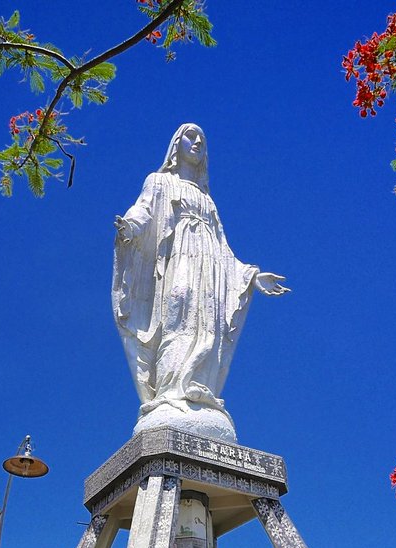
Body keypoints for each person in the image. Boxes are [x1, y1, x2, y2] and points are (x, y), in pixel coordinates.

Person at [112, 123, 288, 434]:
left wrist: (253, 276)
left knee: (206, 324)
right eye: (190, 137)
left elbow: (224, 249)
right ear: (175, 145)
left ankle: (196, 389)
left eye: (202, 140)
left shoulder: (207, 200)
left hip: (209, 268)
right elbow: (143, 211)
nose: (197, 143)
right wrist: (130, 226)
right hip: (177, 260)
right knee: (177, 312)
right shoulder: (159, 182)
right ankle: (169, 393)